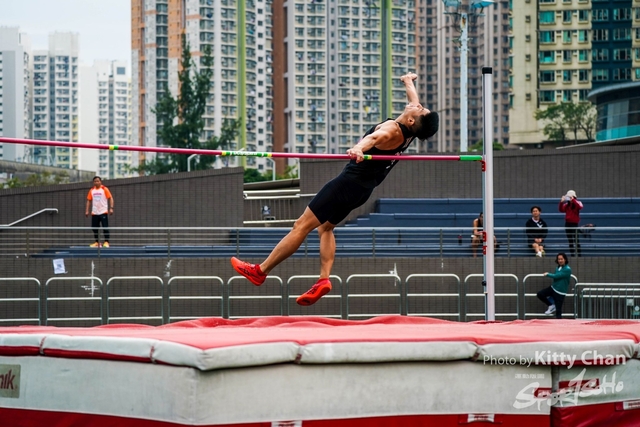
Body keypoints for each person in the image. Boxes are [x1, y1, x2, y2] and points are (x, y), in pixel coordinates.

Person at [230, 72, 439, 306]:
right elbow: (413, 100)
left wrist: (358, 148)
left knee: (301, 226)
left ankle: (260, 271)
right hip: (362, 191)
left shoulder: (391, 131)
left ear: (411, 121)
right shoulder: (410, 131)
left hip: (347, 184)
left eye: (420, 109)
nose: (418, 105)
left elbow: (373, 138)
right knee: (326, 227)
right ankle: (323, 280)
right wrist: (408, 81)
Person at [537, 253, 572, 318]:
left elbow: (556, 276)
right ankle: (551, 306)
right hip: (553, 288)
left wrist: (548, 274)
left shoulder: (567, 269)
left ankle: (558, 323)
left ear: (565, 259)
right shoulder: (558, 267)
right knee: (540, 294)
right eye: (559, 259)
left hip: (560, 292)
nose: (560, 260)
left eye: (561, 259)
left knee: (558, 311)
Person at [85, 176, 114, 248]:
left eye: (98, 181)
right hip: (95, 212)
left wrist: (111, 208)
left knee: (105, 227)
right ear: (93, 182)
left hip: (103, 211)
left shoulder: (104, 189)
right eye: (95, 181)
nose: (96, 182)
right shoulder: (92, 190)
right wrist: (87, 210)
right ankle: (97, 242)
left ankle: (106, 242)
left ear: (100, 182)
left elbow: (110, 198)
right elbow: (89, 200)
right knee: (94, 228)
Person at [558, 190, 583, 257]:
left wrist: (573, 200)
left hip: (574, 224)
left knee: (576, 240)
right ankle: (572, 254)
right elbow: (561, 210)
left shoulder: (578, 202)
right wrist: (561, 202)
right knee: (570, 240)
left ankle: (579, 255)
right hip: (567, 223)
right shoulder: (567, 205)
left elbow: (580, 207)